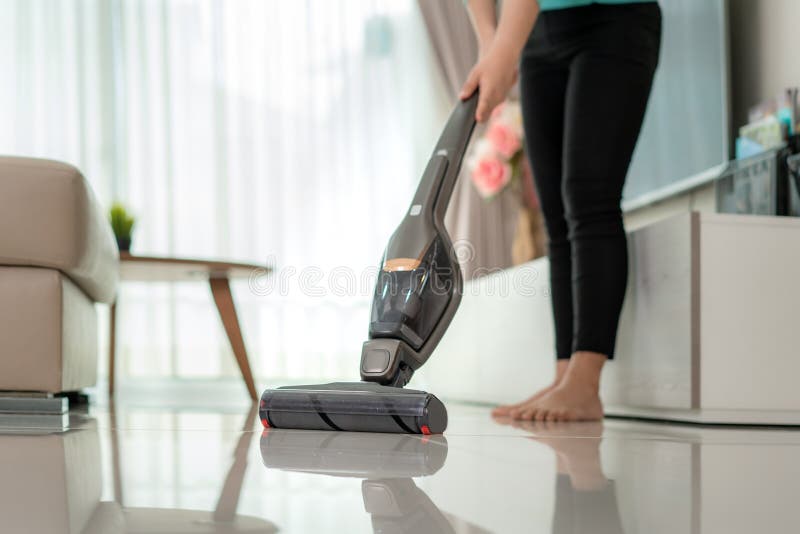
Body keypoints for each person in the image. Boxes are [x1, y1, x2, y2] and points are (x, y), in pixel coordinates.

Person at [460, 0, 662, 421]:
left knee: (589, 197)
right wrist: (489, 43)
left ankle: (585, 384)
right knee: (554, 211)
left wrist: (503, 50)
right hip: (541, 30)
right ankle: (564, 375)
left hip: (614, 19)